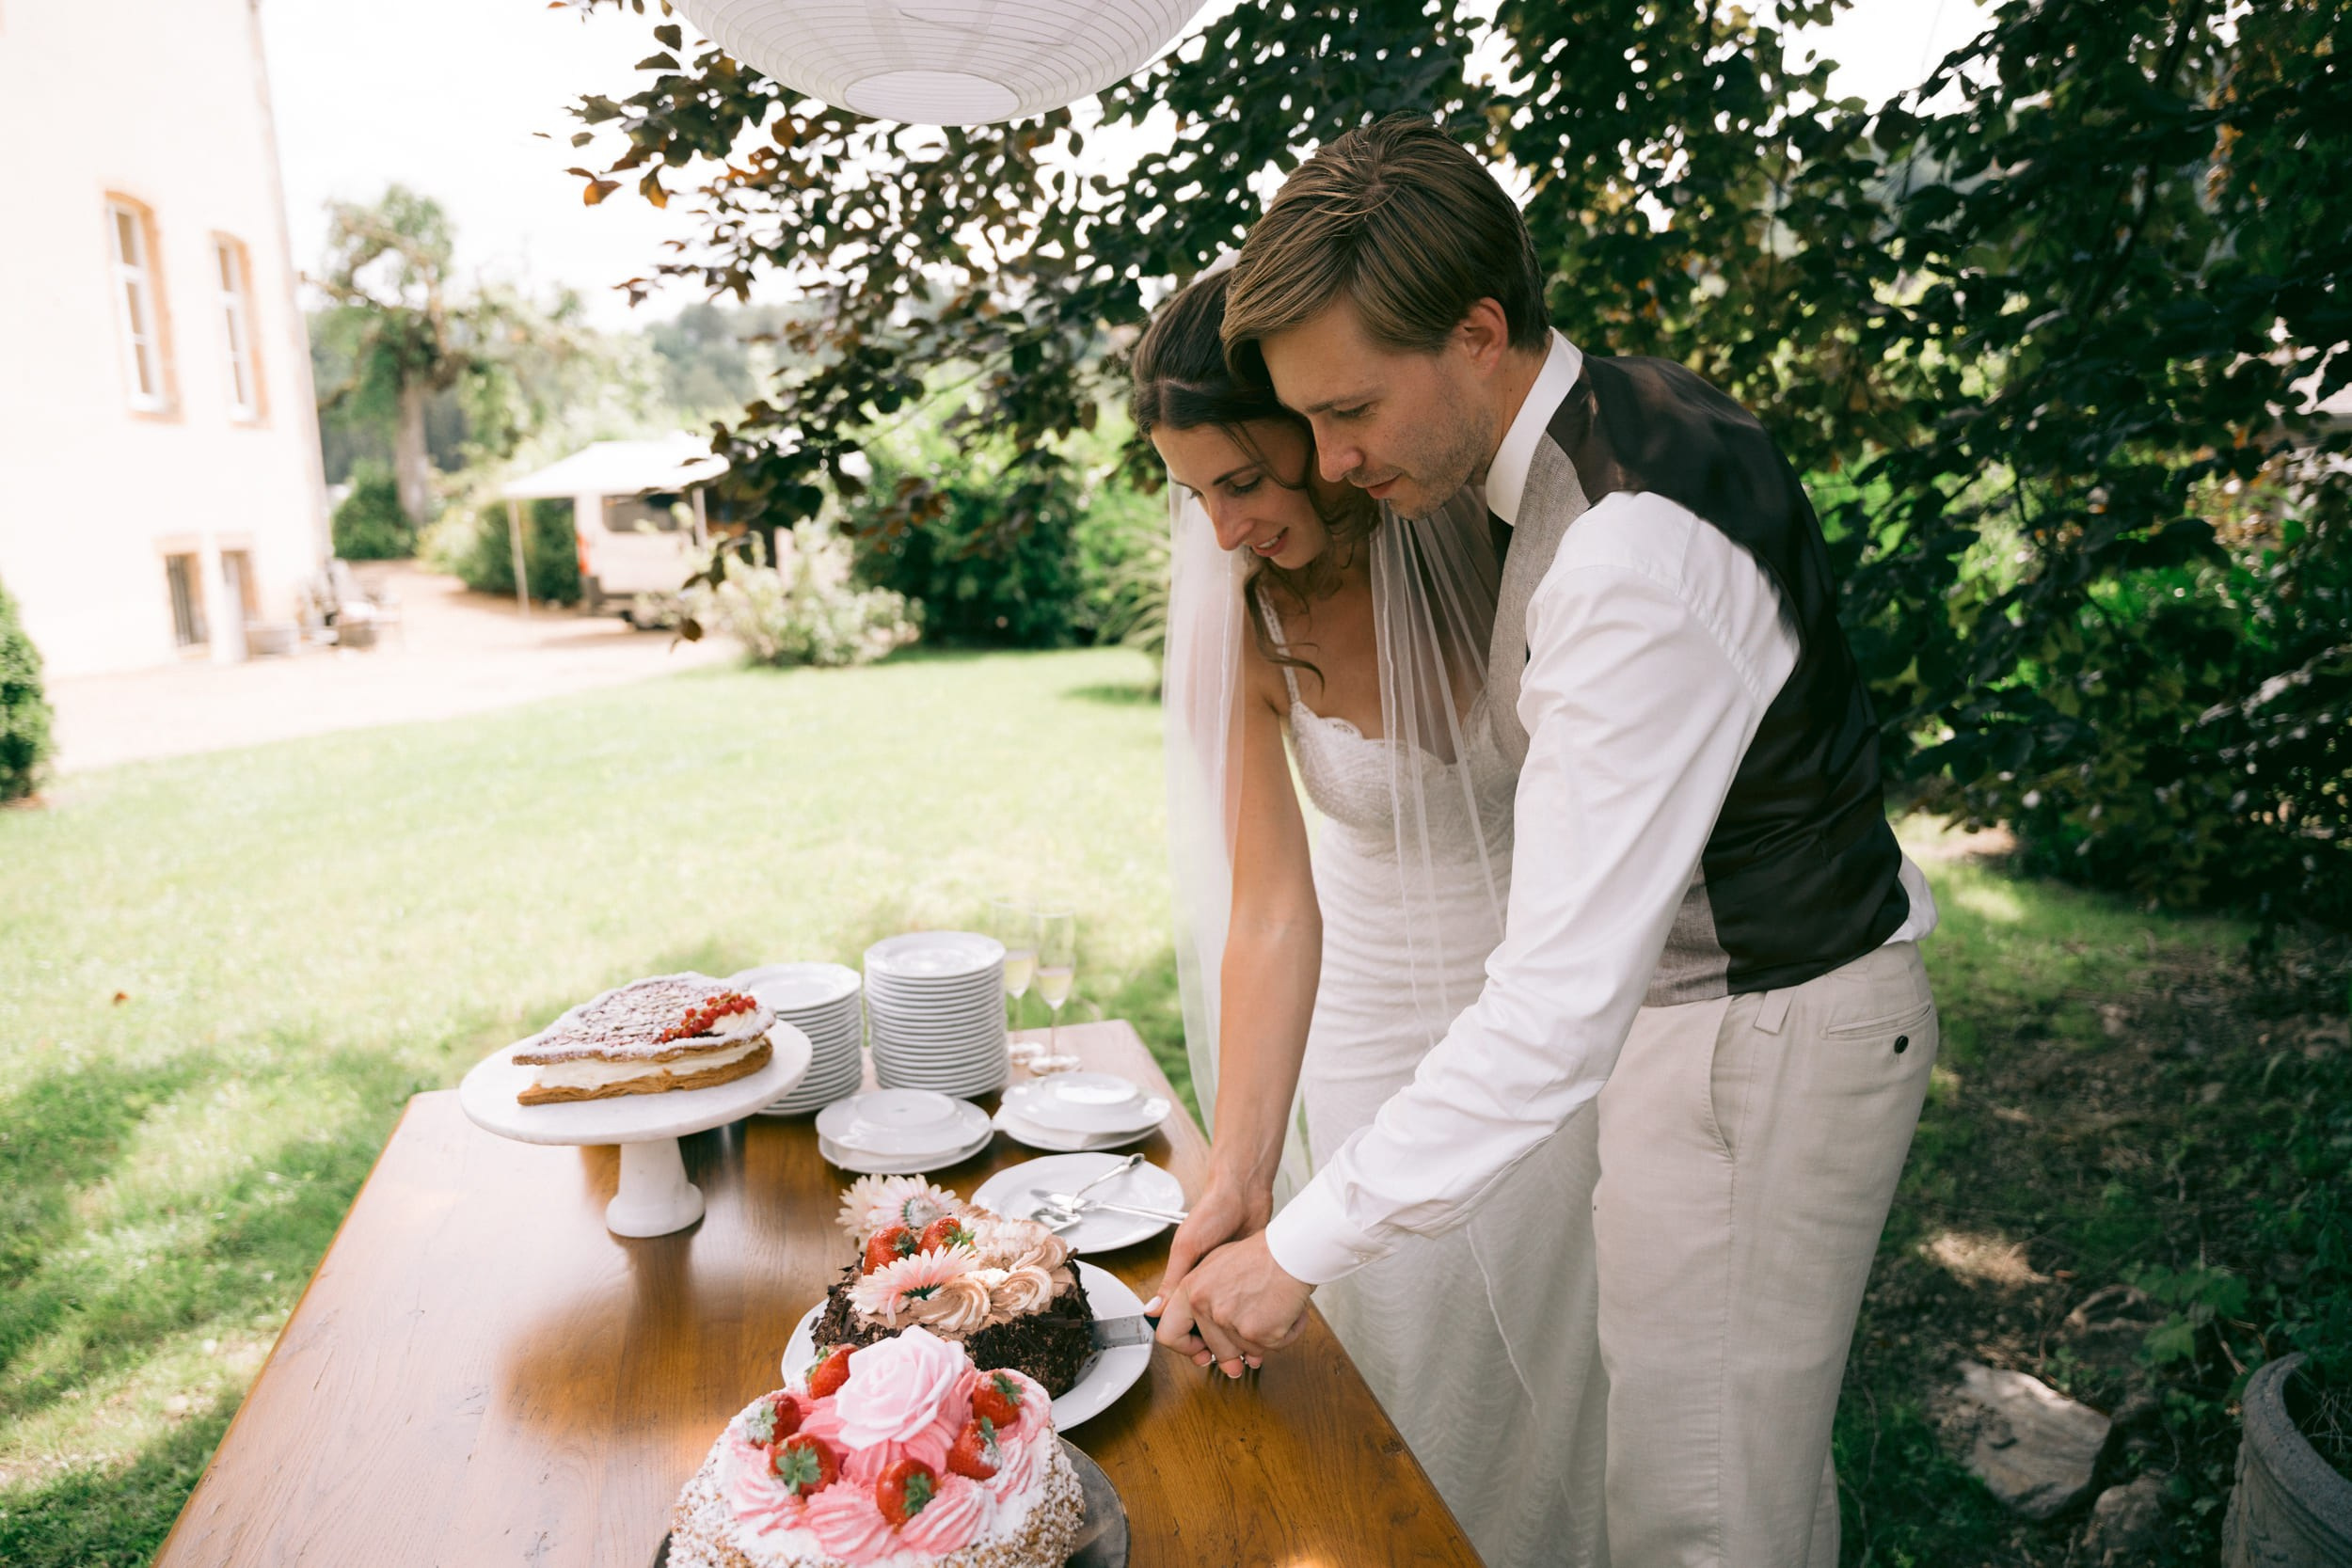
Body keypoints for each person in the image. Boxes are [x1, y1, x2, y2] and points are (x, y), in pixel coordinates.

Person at [1154, 115, 1946, 1568]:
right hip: (1704, 1030)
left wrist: (1299, 1252)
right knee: (1693, 1476)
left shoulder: (1621, 556)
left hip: (1766, 1038)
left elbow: (1555, 1009)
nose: (1331, 461)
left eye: (1349, 410)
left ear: (1475, 332)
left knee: (1705, 1515)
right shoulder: (1611, 426)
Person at [1132, 265, 1607, 1567]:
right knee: (1413, 1355)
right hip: (1370, 1020)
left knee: (1577, 1357)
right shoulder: (1244, 618)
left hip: (1563, 1006)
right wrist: (1240, 1169)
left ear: (1318, 427)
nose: (1224, 530)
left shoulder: (1498, 539)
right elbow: (1269, 911)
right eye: (1195, 496)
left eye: (1243, 480)